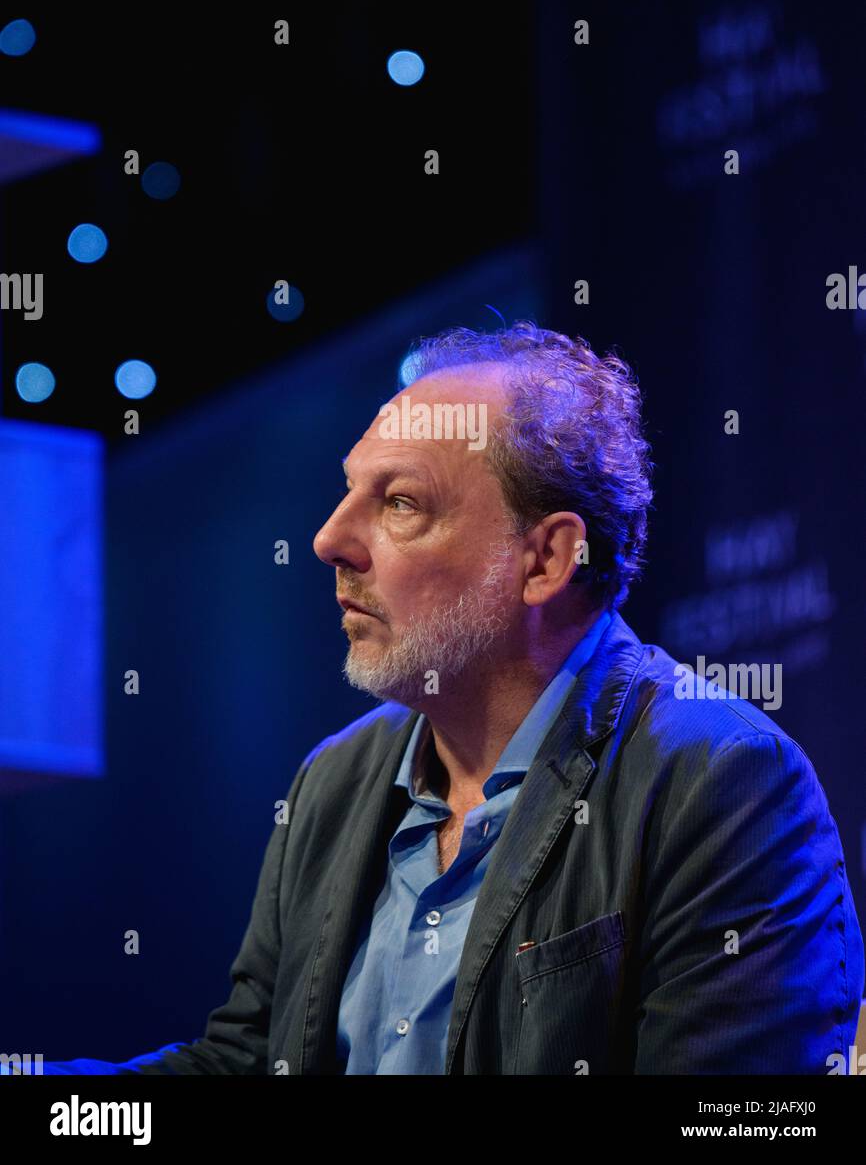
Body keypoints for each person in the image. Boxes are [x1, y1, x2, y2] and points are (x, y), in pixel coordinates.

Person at [34, 321, 865, 1074]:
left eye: (400, 503)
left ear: (544, 561)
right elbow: (250, 1059)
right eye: (350, 490)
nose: (329, 540)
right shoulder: (337, 779)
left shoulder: (720, 783)